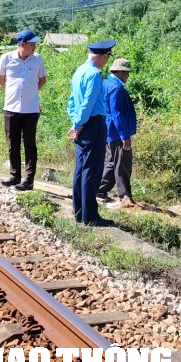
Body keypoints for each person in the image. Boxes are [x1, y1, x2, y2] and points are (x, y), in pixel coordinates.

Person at [66, 39, 115, 226]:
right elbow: (87, 104)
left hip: (84, 124)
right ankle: (90, 216)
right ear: (101, 56)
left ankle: (79, 212)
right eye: (108, 56)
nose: (107, 61)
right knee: (91, 170)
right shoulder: (94, 74)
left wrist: (75, 122)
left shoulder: (79, 71)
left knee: (81, 168)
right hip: (92, 124)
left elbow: (71, 102)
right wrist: (78, 123)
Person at [0, 29, 48, 191]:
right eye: (32, 44)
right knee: (13, 144)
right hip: (11, 108)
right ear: (22, 44)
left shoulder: (37, 59)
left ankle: (29, 180)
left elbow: (42, 80)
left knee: (30, 145)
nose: (35, 47)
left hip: (31, 109)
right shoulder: (6, 58)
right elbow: (1, 80)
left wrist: (30, 94)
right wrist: (14, 93)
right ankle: (14, 175)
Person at [98, 57, 138, 208]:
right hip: (116, 132)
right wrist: (124, 135)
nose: (128, 76)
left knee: (111, 163)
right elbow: (117, 113)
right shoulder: (116, 88)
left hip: (110, 131)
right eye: (127, 73)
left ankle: (100, 190)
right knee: (123, 164)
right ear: (120, 71)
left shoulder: (107, 84)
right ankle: (125, 197)